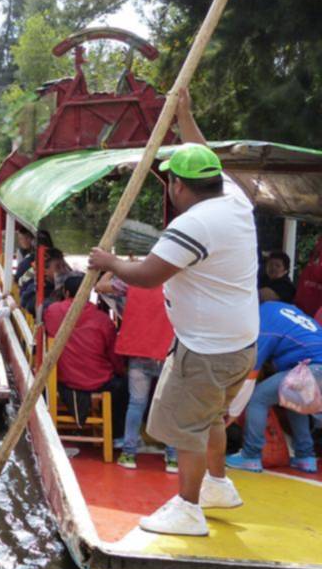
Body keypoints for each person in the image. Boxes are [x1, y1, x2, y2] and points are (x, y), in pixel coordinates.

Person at [88, 93, 258, 537]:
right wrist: (184, 115)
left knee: (185, 428)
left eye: (171, 183)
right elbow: (206, 158)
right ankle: (217, 486)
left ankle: (187, 508)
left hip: (205, 350)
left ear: (177, 187)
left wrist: (109, 263)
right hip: (239, 344)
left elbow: (146, 274)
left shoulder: (194, 224)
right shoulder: (234, 200)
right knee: (210, 419)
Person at [226, 301, 322, 474]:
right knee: (292, 401)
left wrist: (234, 407)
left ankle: (250, 456)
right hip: (312, 367)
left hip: (311, 368)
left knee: (257, 398)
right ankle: (305, 457)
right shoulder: (283, 309)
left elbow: (251, 373)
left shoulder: (261, 320)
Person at [93, 272, 177, 471]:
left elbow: (101, 286)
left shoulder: (136, 280)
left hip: (140, 350)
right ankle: (173, 458)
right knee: (171, 406)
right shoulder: (180, 282)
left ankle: (129, 455)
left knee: (136, 403)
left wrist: (116, 267)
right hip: (169, 351)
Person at [43, 274, 127, 419]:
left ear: (66, 292)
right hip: (98, 380)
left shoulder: (51, 312)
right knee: (124, 387)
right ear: (88, 295)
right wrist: (121, 371)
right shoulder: (103, 319)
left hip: (62, 378)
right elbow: (114, 356)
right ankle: (117, 435)